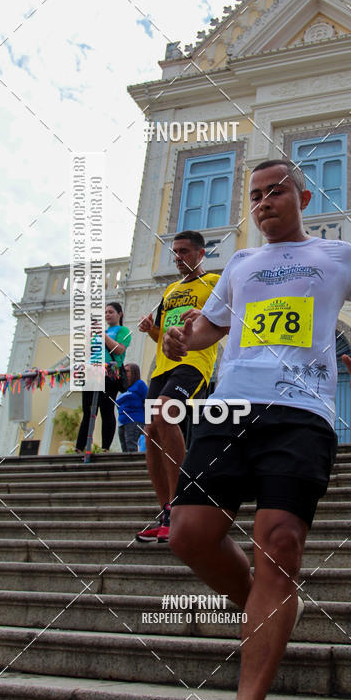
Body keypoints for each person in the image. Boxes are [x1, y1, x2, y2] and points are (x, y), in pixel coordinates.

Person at [163, 160, 351, 700]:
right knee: (189, 535)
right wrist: (177, 339)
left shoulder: (340, 257)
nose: (264, 202)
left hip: (302, 413)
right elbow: (206, 329)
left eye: (276, 192)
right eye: (256, 196)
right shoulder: (240, 263)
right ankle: (267, 611)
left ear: (302, 196)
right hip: (228, 409)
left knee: (281, 543)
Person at [136, 230, 220, 543]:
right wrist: (151, 330)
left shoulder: (212, 283)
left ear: (200, 254)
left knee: (164, 415)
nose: (178, 257)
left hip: (194, 363)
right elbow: (163, 335)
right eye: (175, 252)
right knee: (151, 430)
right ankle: (167, 510)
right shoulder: (170, 289)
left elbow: (225, 320)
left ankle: (184, 503)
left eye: (184, 251)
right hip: (163, 367)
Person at [75, 302, 131, 453]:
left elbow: (118, 350)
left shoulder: (123, 330)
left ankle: (105, 447)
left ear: (120, 314)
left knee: (106, 410)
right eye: (105, 312)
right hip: (92, 372)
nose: (107, 315)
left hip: (109, 373)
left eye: (111, 312)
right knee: (88, 410)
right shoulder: (100, 332)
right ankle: (80, 447)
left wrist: (103, 335)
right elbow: (90, 352)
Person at [116, 363, 147, 452]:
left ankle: (134, 465)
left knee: (131, 446)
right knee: (124, 449)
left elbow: (148, 400)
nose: (125, 374)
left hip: (134, 420)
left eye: (127, 371)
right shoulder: (124, 389)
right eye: (124, 371)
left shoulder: (139, 384)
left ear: (134, 373)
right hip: (122, 422)